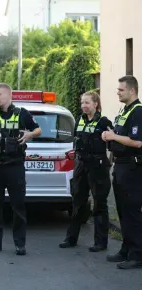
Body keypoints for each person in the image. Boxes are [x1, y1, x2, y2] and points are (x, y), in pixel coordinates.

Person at [0, 83, 42, 255]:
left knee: (18, 206)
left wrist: (30, 134)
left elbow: (38, 129)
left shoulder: (22, 114)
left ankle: (20, 244)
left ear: (8, 95)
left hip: (15, 167)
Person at [59, 91, 113, 252]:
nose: (84, 105)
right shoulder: (79, 120)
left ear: (96, 104)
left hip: (98, 167)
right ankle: (71, 238)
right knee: (78, 202)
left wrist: (108, 163)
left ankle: (100, 242)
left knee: (99, 204)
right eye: (82, 102)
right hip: (81, 165)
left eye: (87, 102)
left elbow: (113, 145)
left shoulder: (104, 122)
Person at [102, 75, 142, 269]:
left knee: (132, 212)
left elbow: (137, 142)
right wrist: (109, 135)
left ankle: (137, 255)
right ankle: (126, 250)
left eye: (121, 90)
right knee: (123, 211)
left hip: (132, 168)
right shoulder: (124, 110)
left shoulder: (138, 112)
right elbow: (119, 136)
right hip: (120, 166)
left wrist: (114, 136)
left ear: (132, 91)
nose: (118, 92)